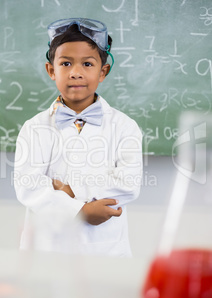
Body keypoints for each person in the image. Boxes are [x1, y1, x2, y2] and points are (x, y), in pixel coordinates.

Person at [14, 18, 143, 257]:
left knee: (105, 293)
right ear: (51, 70)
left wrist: (71, 189)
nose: (75, 73)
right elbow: (28, 186)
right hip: (47, 249)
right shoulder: (34, 128)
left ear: (103, 71)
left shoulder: (125, 127)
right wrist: (80, 211)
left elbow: (128, 182)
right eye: (65, 63)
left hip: (106, 250)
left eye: (87, 63)